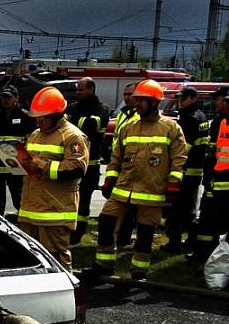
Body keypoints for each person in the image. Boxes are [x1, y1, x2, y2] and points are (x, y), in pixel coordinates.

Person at [86, 80, 187, 281]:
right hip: (123, 188)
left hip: (152, 190)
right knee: (106, 222)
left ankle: (139, 270)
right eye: (136, 99)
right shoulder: (129, 127)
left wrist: (174, 182)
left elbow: (180, 157)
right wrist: (110, 179)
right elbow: (116, 156)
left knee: (145, 232)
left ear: (154, 102)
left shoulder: (170, 127)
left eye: (142, 100)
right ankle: (104, 264)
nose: (136, 103)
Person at [17, 86, 88, 271]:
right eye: (37, 117)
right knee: (30, 257)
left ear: (57, 114)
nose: (39, 120)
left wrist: (44, 166)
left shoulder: (73, 136)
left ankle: (67, 294)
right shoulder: (35, 135)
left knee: (56, 259)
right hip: (30, 209)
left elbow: (77, 170)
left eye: (44, 116)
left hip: (55, 212)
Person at [161, 87, 209, 254]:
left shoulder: (189, 119)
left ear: (194, 99)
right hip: (195, 172)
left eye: (185, 98)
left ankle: (173, 243)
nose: (180, 101)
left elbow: (182, 149)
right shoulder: (201, 116)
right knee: (189, 209)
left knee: (177, 210)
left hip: (184, 172)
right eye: (180, 98)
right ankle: (190, 241)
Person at [65, 77, 110, 244]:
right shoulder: (73, 107)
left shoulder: (102, 108)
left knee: (84, 200)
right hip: (71, 161)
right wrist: (78, 124)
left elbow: (92, 126)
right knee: (70, 198)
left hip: (91, 165)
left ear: (91, 90)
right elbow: (65, 126)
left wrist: (75, 124)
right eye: (78, 90)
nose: (78, 93)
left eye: (81, 90)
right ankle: (69, 227)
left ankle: (79, 232)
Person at [191, 87, 229, 263]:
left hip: (223, 183)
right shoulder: (220, 122)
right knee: (208, 219)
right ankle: (204, 254)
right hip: (215, 180)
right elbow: (216, 153)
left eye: (220, 99)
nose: (217, 103)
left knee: (217, 221)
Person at [0, 84, 34, 216]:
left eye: (8, 97)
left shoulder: (26, 117)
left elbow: (31, 141)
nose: (5, 100)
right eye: (3, 97)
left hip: (18, 168)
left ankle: (24, 224)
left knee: (20, 201)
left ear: (17, 98)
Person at [112, 83, 140, 246]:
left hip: (132, 167)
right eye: (125, 94)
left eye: (130, 94)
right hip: (119, 163)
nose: (127, 97)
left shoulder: (139, 117)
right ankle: (122, 235)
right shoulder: (123, 115)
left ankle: (125, 237)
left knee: (131, 207)